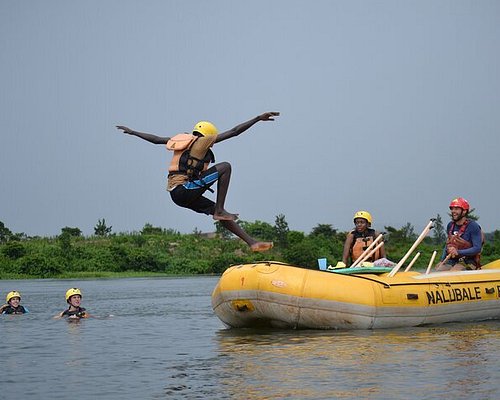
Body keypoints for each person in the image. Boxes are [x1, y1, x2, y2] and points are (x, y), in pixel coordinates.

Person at [116, 112, 280, 252]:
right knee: (225, 167)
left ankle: (252, 243)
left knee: (217, 213)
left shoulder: (183, 142)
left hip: (177, 194)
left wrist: (133, 132)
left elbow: (156, 139)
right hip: (184, 189)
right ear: (209, 136)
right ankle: (221, 209)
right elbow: (235, 131)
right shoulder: (203, 142)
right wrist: (257, 118)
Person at [436, 197, 483, 271]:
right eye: (452, 209)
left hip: (468, 261)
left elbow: (477, 248)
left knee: (455, 271)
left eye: (456, 209)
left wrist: (458, 252)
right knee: (438, 269)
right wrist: (442, 260)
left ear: (464, 211)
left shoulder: (473, 226)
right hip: (453, 260)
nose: (453, 211)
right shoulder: (450, 225)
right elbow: (448, 244)